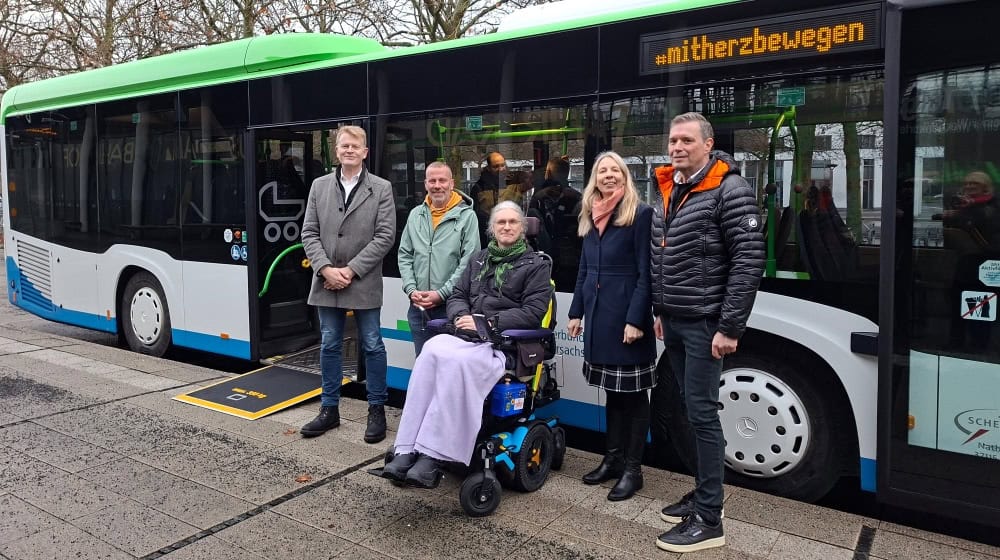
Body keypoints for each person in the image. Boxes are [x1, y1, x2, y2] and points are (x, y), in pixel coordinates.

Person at [651, 112, 764, 553]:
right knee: (688, 408)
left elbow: (747, 262)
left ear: (707, 143)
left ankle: (710, 518)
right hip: (674, 320)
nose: (676, 147)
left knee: (701, 414)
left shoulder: (729, 189)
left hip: (704, 324)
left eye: (685, 140)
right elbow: (661, 256)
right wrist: (658, 310)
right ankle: (702, 494)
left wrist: (729, 327)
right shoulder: (671, 187)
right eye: (673, 140)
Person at [381, 201, 553, 488]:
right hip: (468, 337)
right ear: (492, 229)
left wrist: (486, 322)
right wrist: (461, 315)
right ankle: (407, 447)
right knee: (431, 352)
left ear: (522, 228)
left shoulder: (536, 265)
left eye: (513, 222)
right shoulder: (478, 259)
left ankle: (434, 456)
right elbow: (458, 294)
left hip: (503, 346)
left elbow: (533, 312)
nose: (507, 227)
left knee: (458, 364)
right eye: (501, 223)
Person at [566, 151, 655, 502]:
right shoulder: (591, 213)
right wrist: (576, 312)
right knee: (613, 395)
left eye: (615, 170)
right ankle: (613, 460)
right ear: (594, 178)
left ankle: (634, 470)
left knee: (634, 398)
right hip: (600, 318)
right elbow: (584, 270)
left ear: (625, 175)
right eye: (602, 171)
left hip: (625, 317)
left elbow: (647, 274)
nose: (609, 175)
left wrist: (636, 319)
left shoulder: (641, 213)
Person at [300, 125, 396, 444]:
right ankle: (329, 410)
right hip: (326, 281)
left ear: (365, 152)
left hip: (363, 280)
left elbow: (385, 236)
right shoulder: (318, 186)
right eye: (344, 146)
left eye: (355, 146)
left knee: (372, 344)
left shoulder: (381, 188)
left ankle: (376, 410)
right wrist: (326, 268)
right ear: (336, 151)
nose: (349, 150)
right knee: (329, 344)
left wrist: (351, 270)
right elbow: (309, 233)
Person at [398, 162, 481, 356]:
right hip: (417, 307)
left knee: (448, 368)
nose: (437, 185)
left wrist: (441, 293)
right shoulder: (415, 215)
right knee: (423, 364)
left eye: (442, 180)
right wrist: (411, 290)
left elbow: (469, 262)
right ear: (425, 184)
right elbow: (404, 255)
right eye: (432, 181)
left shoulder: (467, 217)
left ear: (451, 183)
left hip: (451, 307)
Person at [469, 152, 507, 243]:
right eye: (496, 166)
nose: (500, 169)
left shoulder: (510, 184)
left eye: (502, 165)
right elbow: (476, 216)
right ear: (489, 168)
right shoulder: (479, 188)